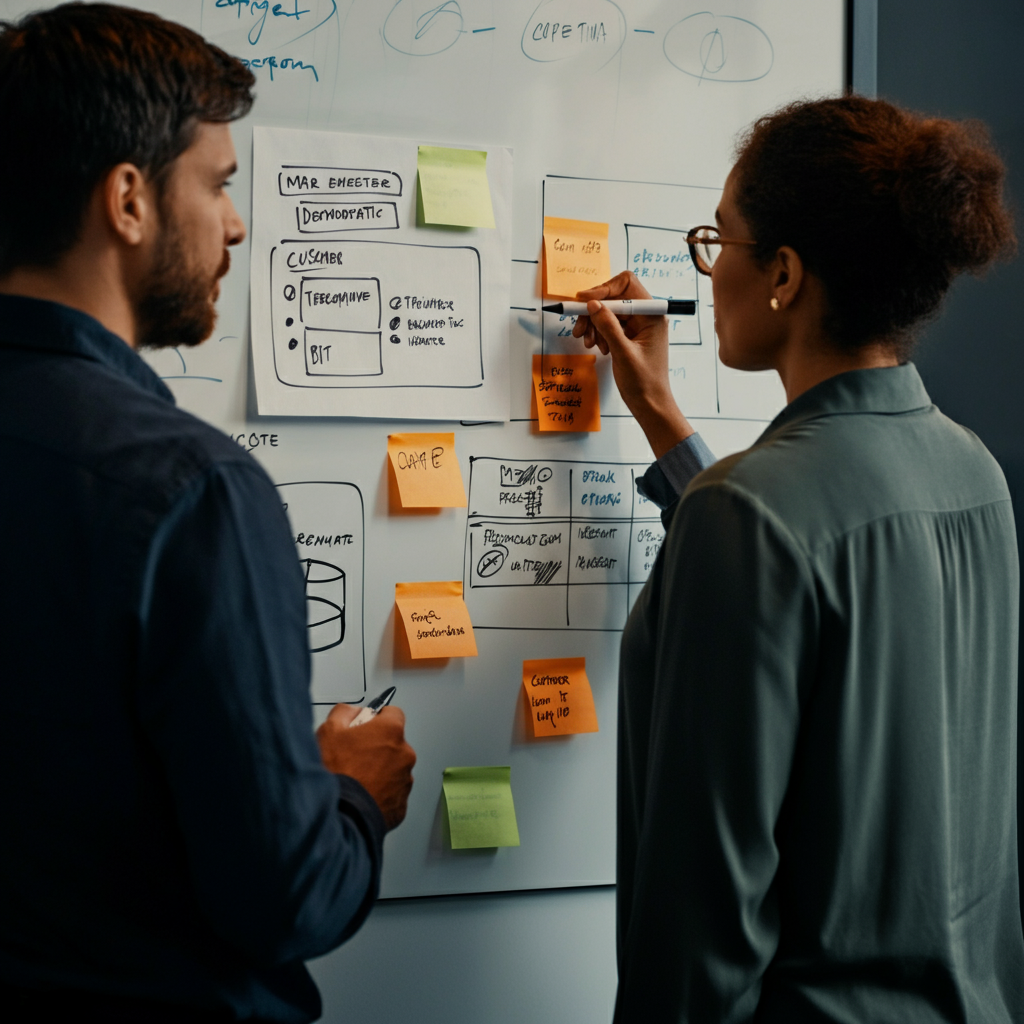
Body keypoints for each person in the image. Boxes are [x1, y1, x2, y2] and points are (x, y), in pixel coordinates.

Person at [0, 5, 415, 1022]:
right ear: (130, 199)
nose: (234, 222)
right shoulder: (193, 489)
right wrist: (353, 795)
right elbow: (284, 898)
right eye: (220, 183)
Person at [575, 96, 1023, 1022]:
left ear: (783, 273)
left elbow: (701, 927)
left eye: (719, 242)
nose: (704, 269)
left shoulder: (748, 511)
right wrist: (661, 416)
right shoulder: (975, 472)